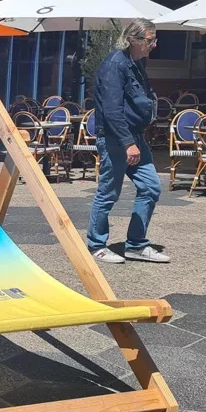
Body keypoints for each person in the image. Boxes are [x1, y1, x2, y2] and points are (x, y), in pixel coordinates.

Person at [86, 19, 167, 264]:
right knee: (108, 193)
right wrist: (127, 143)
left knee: (151, 187)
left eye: (154, 39)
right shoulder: (115, 65)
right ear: (133, 39)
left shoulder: (136, 63)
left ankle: (136, 245)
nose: (154, 45)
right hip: (117, 139)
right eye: (150, 40)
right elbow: (112, 110)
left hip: (134, 137)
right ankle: (96, 245)